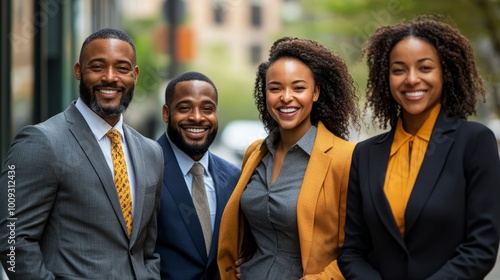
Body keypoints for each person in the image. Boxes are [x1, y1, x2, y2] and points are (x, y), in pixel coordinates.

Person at [338, 15, 500, 279]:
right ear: (386, 77)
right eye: (399, 70)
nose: (411, 79)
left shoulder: (475, 142)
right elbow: (352, 250)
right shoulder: (365, 154)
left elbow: (481, 248)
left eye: (425, 68)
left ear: (444, 72)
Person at [0, 28, 163, 279]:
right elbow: (12, 241)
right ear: (78, 71)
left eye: (122, 68)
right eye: (98, 67)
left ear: (135, 74)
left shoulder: (151, 152)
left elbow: (147, 249)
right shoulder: (40, 142)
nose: (110, 78)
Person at [217, 37, 360, 279]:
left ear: (315, 92)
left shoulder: (345, 158)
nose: (286, 97)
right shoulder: (255, 153)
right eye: (275, 88)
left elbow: (358, 247)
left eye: (298, 88)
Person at [155, 71, 241, 280]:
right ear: (166, 113)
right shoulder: (144, 168)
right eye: (185, 108)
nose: (197, 117)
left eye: (207, 109)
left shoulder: (234, 177)